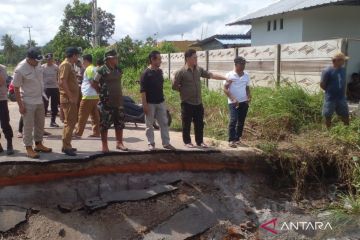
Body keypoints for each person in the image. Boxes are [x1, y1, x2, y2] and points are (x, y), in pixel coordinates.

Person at [172, 49, 229, 148]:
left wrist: (225, 78)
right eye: (194, 57)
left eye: (196, 57)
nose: (196, 59)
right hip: (187, 103)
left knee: (199, 124)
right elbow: (174, 86)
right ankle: (187, 142)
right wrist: (183, 90)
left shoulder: (199, 70)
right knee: (186, 124)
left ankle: (200, 141)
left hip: (198, 102)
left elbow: (211, 75)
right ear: (188, 58)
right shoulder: (181, 72)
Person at [13, 47, 52, 159]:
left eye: (39, 61)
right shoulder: (20, 69)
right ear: (29, 58)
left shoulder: (37, 63)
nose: (38, 63)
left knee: (40, 123)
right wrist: (20, 105)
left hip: (39, 99)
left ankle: (38, 144)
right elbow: (16, 88)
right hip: (28, 100)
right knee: (28, 126)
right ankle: (28, 148)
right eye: (36, 60)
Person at [140, 51, 175, 151]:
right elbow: (143, 91)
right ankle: (151, 143)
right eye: (159, 59)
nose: (160, 61)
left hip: (160, 102)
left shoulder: (159, 72)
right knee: (149, 125)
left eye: (160, 59)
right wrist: (144, 105)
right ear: (152, 59)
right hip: (150, 103)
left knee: (164, 123)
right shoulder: (145, 73)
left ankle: (166, 143)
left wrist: (164, 103)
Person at [94, 50, 127, 153]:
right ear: (108, 59)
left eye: (116, 57)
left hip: (118, 100)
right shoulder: (101, 70)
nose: (116, 59)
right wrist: (102, 93)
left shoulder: (118, 69)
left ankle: (119, 143)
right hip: (107, 102)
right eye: (114, 58)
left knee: (120, 123)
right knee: (104, 124)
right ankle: (105, 146)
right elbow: (94, 83)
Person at [224, 57, 251, 148]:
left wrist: (248, 96)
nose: (244, 66)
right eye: (242, 64)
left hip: (244, 102)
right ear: (236, 64)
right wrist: (233, 99)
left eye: (244, 64)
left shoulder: (246, 75)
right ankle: (231, 140)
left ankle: (237, 138)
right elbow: (225, 89)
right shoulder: (229, 75)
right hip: (233, 102)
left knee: (241, 121)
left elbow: (247, 87)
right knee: (233, 120)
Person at [59, 47, 81, 156]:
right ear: (73, 55)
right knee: (70, 122)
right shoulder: (66, 64)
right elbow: (62, 81)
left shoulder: (70, 65)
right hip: (68, 99)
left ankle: (66, 145)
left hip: (71, 98)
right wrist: (70, 96)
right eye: (77, 55)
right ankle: (66, 146)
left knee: (70, 122)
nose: (78, 57)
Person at [320, 52, 350, 129]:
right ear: (337, 60)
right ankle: (328, 131)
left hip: (341, 97)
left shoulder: (343, 70)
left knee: (345, 114)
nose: (344, 62)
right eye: (343, 60)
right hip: (330, 98)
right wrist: (331, 91)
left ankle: (346, 130)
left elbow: (343, 82)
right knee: (328, 115)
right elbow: (322, 84)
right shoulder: (327, 71)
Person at [74, 54, 100, 138]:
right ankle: (96, 132)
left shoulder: (89, 69)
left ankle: (78, 133)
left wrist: (96, 89)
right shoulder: (96, 68)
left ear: (85, 60)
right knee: (94, 115)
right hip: (95, 96)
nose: (82, 63)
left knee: (82, 115)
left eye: (83, 61)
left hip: (88, 96)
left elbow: (92, 82)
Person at [42, 53, 60, 127]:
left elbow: (59, 76)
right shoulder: (42, 67)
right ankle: (41, 123)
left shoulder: (56, 67)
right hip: (46, 88)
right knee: (44, 105)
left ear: (52, 59)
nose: (49, 60)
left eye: (51, 59)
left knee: (54, 105)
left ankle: (53, 121)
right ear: (46, 60)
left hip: (54, 87)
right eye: (48, 59)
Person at [0, 64, 14, 155]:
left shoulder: (2, 68)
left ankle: (9, 144)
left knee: (5, 123)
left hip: (1, 99)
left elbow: (1, 82)